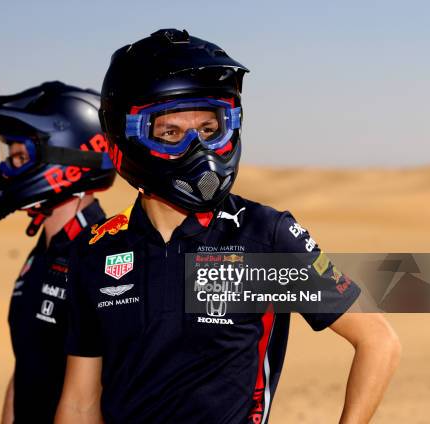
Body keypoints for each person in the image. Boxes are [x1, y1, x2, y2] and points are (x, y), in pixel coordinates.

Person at [55, 30, 400, 423]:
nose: (196, 149)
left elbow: (378, 340)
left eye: (208, 129)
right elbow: (80, 402)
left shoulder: (263, 235)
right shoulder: (95, 251)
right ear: (124, 134)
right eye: (170, 132)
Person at [0, 81, 116, 424]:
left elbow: (93, 399)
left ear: (64, 157)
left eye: (19, 156)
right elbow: (26, 363)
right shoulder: (43, 252)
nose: (4, 170)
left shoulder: (103, 259)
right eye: (8, 154)